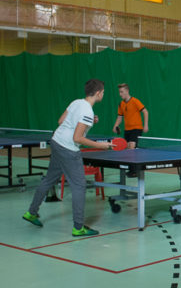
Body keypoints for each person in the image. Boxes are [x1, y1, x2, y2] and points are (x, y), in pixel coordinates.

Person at [22, 79, 113, 236]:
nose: (103, 94)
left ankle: (31, 212)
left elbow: (61, 121)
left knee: (49, 180)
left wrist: (90, 121)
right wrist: (101, 145)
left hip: (56, 142)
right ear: (98, 93)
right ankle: (78, 227)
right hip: (68, 149)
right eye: (103, 92)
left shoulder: (76, 102)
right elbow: (77, 138)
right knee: (79, 187)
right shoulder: (87, 111)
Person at [113, 83, 148, 150]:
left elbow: (145, 112)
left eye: (122, 92)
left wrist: (145, 125)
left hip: (136, 128)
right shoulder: (121, 104)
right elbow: (119, 117)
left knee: (132, 147)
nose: (120, 94)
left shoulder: (135, 101)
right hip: (127, 130)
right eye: (119, 92)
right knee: (127, 148)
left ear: (127, 91)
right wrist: (115, 125)